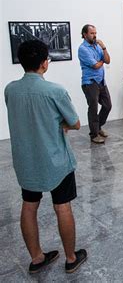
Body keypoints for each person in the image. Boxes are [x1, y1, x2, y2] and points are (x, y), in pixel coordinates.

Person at [4, 40, 87, 274]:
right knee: (62, 207)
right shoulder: (55, 90)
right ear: (44, 63)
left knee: (29, 206)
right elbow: (76, 123)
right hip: (56, 161)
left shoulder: (10, 89)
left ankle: (37, 258)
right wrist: (56, 124)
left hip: (26, 161)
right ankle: (71, 258)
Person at [78, 24, 112, 144]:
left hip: (101, 81)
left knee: (108, 105)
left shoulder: (98, 46)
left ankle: (98, 127)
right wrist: (102, 60)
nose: (95, 35)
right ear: (84, 35)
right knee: (93, 108)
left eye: (95, 33)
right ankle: (94, 134)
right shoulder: (83, 49)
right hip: (90, 82)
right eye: (92, 33)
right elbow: (96, 65)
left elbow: (108, 60)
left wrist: (104, 48)